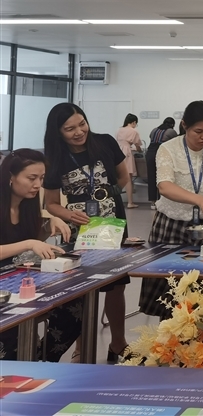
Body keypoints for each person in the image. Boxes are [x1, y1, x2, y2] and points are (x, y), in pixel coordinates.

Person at [43, 103, 131, 363]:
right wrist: (70, 215)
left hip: (112, 222)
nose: (79, 132)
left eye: (82, 124)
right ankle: (82, 348)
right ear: (58, 132)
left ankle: (118, 343)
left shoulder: (104, 142)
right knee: (82, 288)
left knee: (116, 285)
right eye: (69, 129)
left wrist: (106, 199)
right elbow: (51, 203)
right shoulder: (55, 157)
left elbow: (123, 177)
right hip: (79, 227)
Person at [139, 101, 203, 318]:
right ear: (184, 125)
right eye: (198, 131)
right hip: (171, 225)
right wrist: (199, 199)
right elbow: (164, 186)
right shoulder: (168, 149)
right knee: (169, 294)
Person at [0, 149, 82, 362]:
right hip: (6, 288)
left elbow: (29, 238)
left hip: (20, 279)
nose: (38, 185)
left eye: (41, 178)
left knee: (73, 311)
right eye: (31, 178)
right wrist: (29, 243)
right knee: (11, 334)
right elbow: (24, 243)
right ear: (10, 177)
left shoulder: (27, 205)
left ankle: (41, 360)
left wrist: (48, 224)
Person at [146, 118, 177, 204]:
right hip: (160, 152)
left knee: (151, 177)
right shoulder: (171, 131)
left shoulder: (154, 130)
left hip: (150, 153)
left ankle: (153, 202)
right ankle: (161, 201)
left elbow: (151, 138)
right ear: (172, 125)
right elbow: (175, 142)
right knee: (162, 178)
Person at [115, 114, 142, 208]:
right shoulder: (133, 131)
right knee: (128, 178)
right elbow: (138, 145)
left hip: (118, 151)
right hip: (127, 153)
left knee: (119, 176)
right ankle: (130, 202)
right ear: (134, 122)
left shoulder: (119, 130)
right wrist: (139, 150)